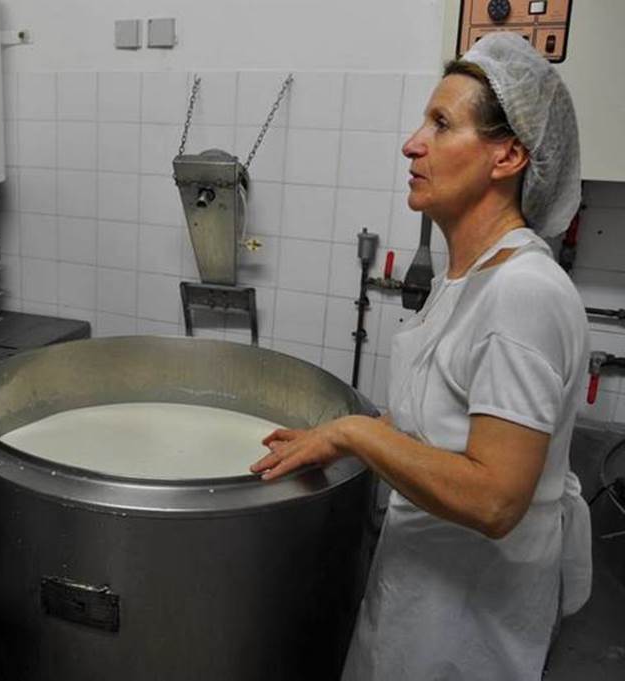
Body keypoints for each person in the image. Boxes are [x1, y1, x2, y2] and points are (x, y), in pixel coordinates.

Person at [250, 33, 591, 680]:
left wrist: (355, 430)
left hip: (465, 635)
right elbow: (437, 434)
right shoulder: (467, 282)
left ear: (508, 154)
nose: (412, 143)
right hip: (418, 603)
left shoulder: (521, 295)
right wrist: (342, 437)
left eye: (441, 124)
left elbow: (495, 497)